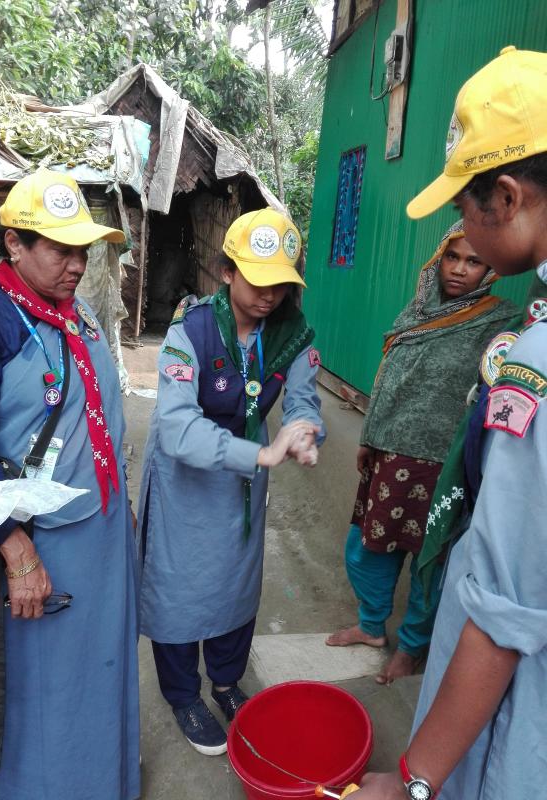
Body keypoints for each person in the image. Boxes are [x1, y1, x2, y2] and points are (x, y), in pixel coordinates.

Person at [355, 46, 547, 800]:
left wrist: (413, 780)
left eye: (464, 207)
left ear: (506, 197)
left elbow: (504, 611)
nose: (462, 234)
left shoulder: (533, 361)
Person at [0, 167, 141, 799]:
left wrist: (121, 503)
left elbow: (101, 415)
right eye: (61, 250)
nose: (78, 264)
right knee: (39, 695)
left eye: (83, 249)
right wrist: (17, 552)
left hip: (100, 534)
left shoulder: (74, 311)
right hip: (36, 544)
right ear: (14, 243)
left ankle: (102, 782)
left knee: (100, 671)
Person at [136, 207, 324, 756]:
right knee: (178, 586)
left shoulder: (292, 335)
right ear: (227, 272)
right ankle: (183, 694)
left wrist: (303, 431)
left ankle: (225, 681)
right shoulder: (190, 330)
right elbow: (175, 427)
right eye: (257, 279)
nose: (269, 295)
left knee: (236, 583)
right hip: (185, 479)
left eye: (280, 284)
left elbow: (304, 400)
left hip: (243, 481)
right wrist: (261, 452)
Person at [326, 221, 518, 685]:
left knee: (430, 560)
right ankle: (372, 626)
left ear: (490, 270)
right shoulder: (417, 310)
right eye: (452, 257)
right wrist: (370, 436)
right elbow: (390, 375)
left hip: (446, 465)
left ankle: (412, 647)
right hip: (392, 455)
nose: (460, 269)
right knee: (369, 548)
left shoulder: (501, 323)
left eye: (474, 261)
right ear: (438, 258)